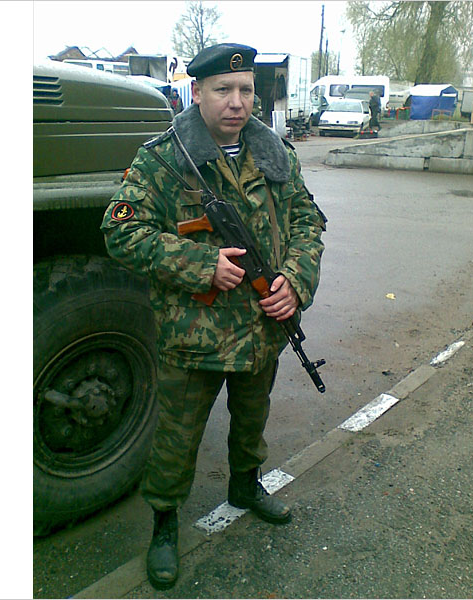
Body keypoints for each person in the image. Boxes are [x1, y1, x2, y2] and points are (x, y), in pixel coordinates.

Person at [101, 42, 326, 590]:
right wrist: (201, 265)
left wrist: (294, 283)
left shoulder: (275, 153)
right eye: (223, 90)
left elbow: (307, 222)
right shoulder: (163, 159)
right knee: (176, 438)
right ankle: (164, 525)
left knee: (252, 419)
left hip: (262, 327)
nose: (237, 102)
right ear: (197, 92)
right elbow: (120, 231)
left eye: (246, 90)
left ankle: (245, 486)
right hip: (192, 336)